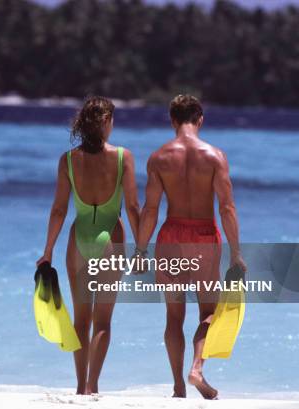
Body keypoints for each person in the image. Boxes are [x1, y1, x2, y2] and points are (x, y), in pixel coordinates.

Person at [135, 95, 246, 399]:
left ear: (172, 120)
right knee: (208, 313)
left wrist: (141, 250)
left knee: (173, 316)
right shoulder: (215, 156)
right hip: (204, 237)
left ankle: (178, 387)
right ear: (200, 119)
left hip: (170, 235)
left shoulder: (158, 158)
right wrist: (236, 252)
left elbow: (150, 210)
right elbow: (227, 208)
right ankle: (197, 368)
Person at [36, 96, 140, 395]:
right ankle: (94, 385)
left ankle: (80, 387)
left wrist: (47, 251)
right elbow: (133, 207)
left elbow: (58, 210)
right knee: (102, 322)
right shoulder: (123, 158)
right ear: (106, 122)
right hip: (112, 239)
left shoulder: (68, 160)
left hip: (78, 241)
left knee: (81, 320)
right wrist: (142, 247)